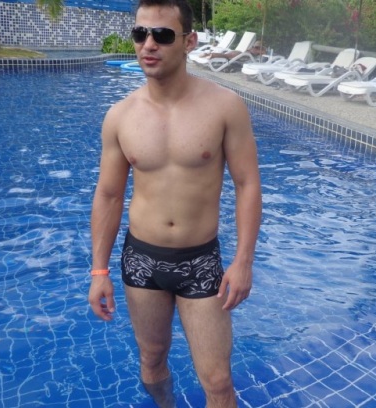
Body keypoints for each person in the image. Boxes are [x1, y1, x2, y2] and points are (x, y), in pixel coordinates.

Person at [87, 0, 262, 407]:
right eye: (140, 34)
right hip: (141, 261)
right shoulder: (120, 116)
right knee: (151, 359)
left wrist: (243, 261)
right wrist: (99, 270)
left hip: (200, 260)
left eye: (162, 35)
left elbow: (247, 184)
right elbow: (109, 194)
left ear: (189, 41)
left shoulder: (224, 107)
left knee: (218, 380)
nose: (148, 44)